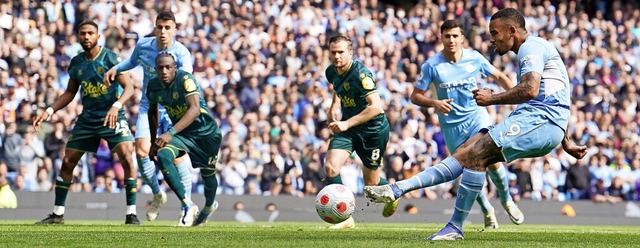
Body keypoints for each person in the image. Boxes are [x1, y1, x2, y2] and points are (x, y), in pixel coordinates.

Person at [364, 8, 587, 240]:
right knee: (465, 154)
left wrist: (491, 99)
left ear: (512, 30)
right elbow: (555, 93)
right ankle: (397, 189)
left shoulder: (530, 48)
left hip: (541, 121)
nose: (492, 39)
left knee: (477, 154)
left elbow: (531, 90)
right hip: (541, 122)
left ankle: (456, 226)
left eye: (495, 32)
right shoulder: (535, 47)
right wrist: (565, 140)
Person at [408, 19, 522, 229]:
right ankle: (487, 208)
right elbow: (415, 96)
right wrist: (434, 102)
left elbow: (498, 76)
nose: (451, 40)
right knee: (471, 167)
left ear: (462, 38)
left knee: (493, 159)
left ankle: (507, 199)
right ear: (441, 38)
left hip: (477, 117)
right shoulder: (432, 65)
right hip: (452, 127)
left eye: (455, 36)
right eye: (447, 36)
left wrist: (516, 99)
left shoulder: (474, 58)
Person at [33, 20, 139, 225]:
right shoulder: (77, 62)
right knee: (68, 161)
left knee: (127, 156)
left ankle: (131, 214)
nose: (87, 37)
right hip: (88, 118)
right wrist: (49, 110)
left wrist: (116, 106)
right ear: (79, 36)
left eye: (91, 33)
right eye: (83, 33)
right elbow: (70, 92)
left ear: (98, 36)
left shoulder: (111, 58)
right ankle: (57, 214)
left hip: (112, 116)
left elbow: (129, 88)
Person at [103, 11, 194, 222]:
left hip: (173, 110)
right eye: (160, 27)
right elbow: (131, 62)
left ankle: (186, 208)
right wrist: (115, 69)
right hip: (148, 106)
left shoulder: (182, 53)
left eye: (167, 27)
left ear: (174, 29)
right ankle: (157, 194)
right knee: (142, 151)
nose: (163, 31)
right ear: (154, 27)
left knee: (177, 157)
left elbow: (188, 78)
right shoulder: (144, 46)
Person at [323, 35, 396, 229]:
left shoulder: (361, 74)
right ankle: (345, 218)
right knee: (331, 167)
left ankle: (392, 192)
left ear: (350, 53)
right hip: (349, 129)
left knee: (371, 186)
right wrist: (333, 107)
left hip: (373, 130)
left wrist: (346, 123)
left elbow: (376, 108)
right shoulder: (331, 71)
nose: (337, 56)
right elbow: (338, 89)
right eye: (333, 52)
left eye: (341, 52)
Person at [147, 53, 222, 226]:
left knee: (207, 175)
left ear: (175, 68)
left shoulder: (185, 80)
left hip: (206, 134)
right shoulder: (152, 86)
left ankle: (210, 206)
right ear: (155, 69)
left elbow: (194, 109)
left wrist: (169, 132)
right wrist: (153, 142)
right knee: (164, 156)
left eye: (168, 67)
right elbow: (152, 112)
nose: (164, 71)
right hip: (183, 134)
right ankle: (188, 205)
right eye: (160, 68)